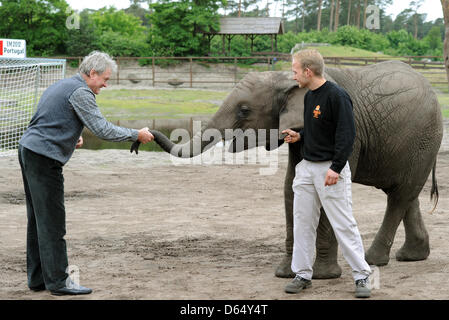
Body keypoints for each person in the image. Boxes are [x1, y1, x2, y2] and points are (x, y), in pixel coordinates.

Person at [18, 51, 154, 296]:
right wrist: (136, 134)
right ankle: (59, 282)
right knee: (52, 222)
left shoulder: (63, 85)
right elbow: (102, 129)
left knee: (38, 220)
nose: (105, 83)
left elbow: (46, 119)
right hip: (43, 158)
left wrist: (71, 135)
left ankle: (39, 279)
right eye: (105, 78)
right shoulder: (81, 92)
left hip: (29, 150)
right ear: (92, 73)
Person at [281, 49, 372, 298]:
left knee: (343, 224)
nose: (293, 76)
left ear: (308, 72)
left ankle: (362, 276)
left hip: (330, 169)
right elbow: (319, 129)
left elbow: (346, 134)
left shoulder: (337, 96)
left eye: (295, 71)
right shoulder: (310, 96)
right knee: (302, 223)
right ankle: (302, 274)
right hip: (307, 169)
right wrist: (300, 135)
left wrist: (336, 167)